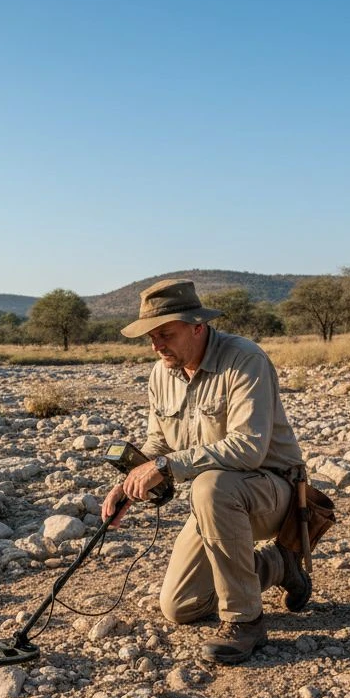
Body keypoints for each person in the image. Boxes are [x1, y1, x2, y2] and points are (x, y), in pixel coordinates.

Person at [102, 278, 311, 664]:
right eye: (150, 336)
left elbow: (248, 449)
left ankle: (245, 621)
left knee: (211, 486)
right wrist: (130, 480)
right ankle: (279, 564)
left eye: (166, 333)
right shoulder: (160, 373)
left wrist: (165, 467)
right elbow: (158, 444)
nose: (156, 345)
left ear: (198, 326)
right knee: (180, 607)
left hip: (272, 493)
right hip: (213, 502)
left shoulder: (245, 360)